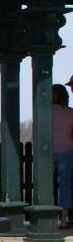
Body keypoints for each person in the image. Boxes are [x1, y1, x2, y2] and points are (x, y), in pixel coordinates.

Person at [52, 84, 73, 228]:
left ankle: (47, 219)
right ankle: (64, 219)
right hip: (67, 151)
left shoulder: (45, 112)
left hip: (48, 153)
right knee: (65, 186)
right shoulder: (71, 113)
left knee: (46, 187)